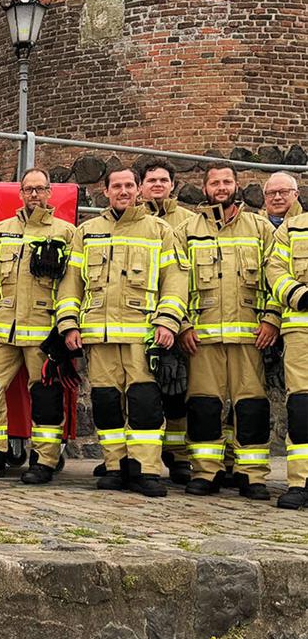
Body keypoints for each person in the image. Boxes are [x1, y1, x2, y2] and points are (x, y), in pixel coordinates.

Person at [56, 167, 189, 496]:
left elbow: (175, 280)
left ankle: (145, 470)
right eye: (117, 186)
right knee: (106, 403)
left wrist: (167, 321)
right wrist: (69, 324)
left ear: (139, 189)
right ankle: (115, 466)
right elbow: (71, 283)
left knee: (145, 403)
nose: (124, 191)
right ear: (106, 190)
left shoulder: (159, 230)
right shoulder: (86, 232)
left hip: (142, 336)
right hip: (98, 338)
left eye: (130, 185)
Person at [0, 168, 76, 483]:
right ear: (20, 193)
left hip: (44, 331)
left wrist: (63, 323)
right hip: (1, 329)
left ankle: (44, 462)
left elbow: (75, 282)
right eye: (28, 189)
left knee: (46, 396)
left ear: (50, 192)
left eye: (40, 188)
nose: (34, 194)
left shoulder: (67, 233)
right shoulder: (0, 231)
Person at [176, 163, 278, 499]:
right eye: (215, 182)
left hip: (251, 334)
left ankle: (252, 475)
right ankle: (207, 472)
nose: (221, 187)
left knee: (251, 406)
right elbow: (178, 282)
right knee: (204, 406)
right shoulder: (187, 230)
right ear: (204, 188)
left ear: (237, 185)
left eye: (227, 181)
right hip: (201, 337)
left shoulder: (260, 227)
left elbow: (274, 275)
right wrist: (184, 325)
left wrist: (272, 319)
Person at [138, 157, 197, 483]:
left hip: (177, 320)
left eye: (163, 180)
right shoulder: (129, 221)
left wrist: (180, 322)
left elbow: (188, 278)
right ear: (141, 186)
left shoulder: (189, 222)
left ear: (172, 184)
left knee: (176, 392)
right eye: (151, 180)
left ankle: (177, 457)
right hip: (137, 322)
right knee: (137, 395)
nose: (157, 185)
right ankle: (128, 457)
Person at [265, 199, 308, 509]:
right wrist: (301, 296)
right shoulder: (292, 228)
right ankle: (300, 481)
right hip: (301, 330)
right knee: (302, 406)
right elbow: (275, 270)